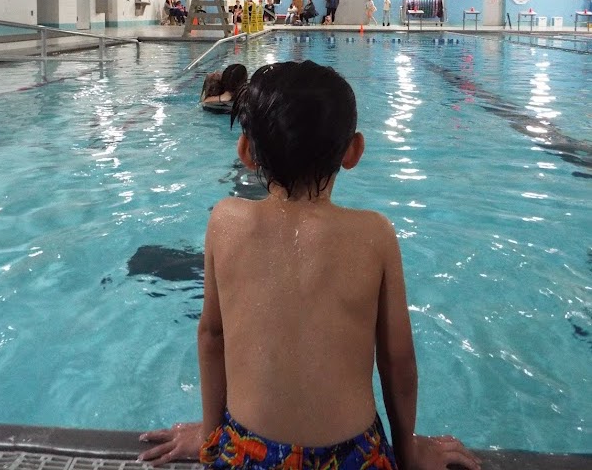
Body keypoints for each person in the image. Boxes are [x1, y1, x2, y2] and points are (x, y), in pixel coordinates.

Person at [139, 61, 479, 470]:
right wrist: (408, 451)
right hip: (355, 456)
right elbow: (397, 360)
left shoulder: (225, 221)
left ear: (245, 152)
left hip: (247, 453)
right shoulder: (375, 234)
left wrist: (212, 437)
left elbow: (212, 336)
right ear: (354, 151)